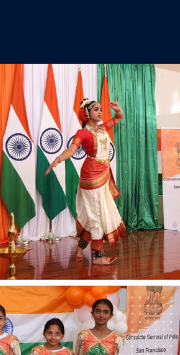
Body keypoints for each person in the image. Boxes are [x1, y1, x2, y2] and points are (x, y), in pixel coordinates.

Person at [45, 98, 126, 265]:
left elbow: (119, 117)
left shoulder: (103, 128)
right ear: (87, 113)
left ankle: (81, 248)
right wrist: (58, 159)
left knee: (93, 216)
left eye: (101, 109)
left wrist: (117, 109)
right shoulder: (82, 133)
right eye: (96, 109)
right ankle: (97, 257)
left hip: (103, 174)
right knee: (96, 216)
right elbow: (71, 150)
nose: (100, 112)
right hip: (91, 176)